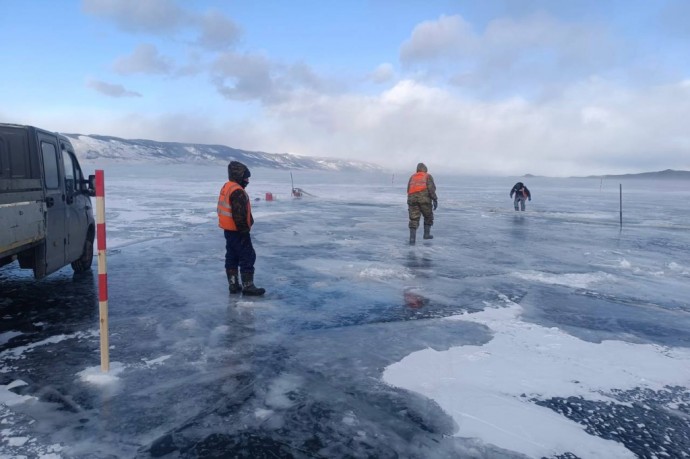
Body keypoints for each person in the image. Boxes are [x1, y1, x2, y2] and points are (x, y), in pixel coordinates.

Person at [217, 161, 265, 296]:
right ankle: (248, 286)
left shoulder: (227, 186)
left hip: (229, 230)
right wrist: (244, 231)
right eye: (246, 177)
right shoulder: (237, 191)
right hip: (238, 231)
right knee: (247, 255)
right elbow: (239, 215)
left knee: (232, 256)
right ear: (239, 176)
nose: (248, 180)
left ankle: (233, 284)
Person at [407, 163, 438, 245]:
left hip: (412, 199)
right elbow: (431, 189)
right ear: (425, 169)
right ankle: (426, 234)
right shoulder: (427, 176)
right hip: (424, 199)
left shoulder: (412, 177)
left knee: (413, 219)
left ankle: (412, 239)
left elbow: (408, 189)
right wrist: (434, 199)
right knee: (428, 216)